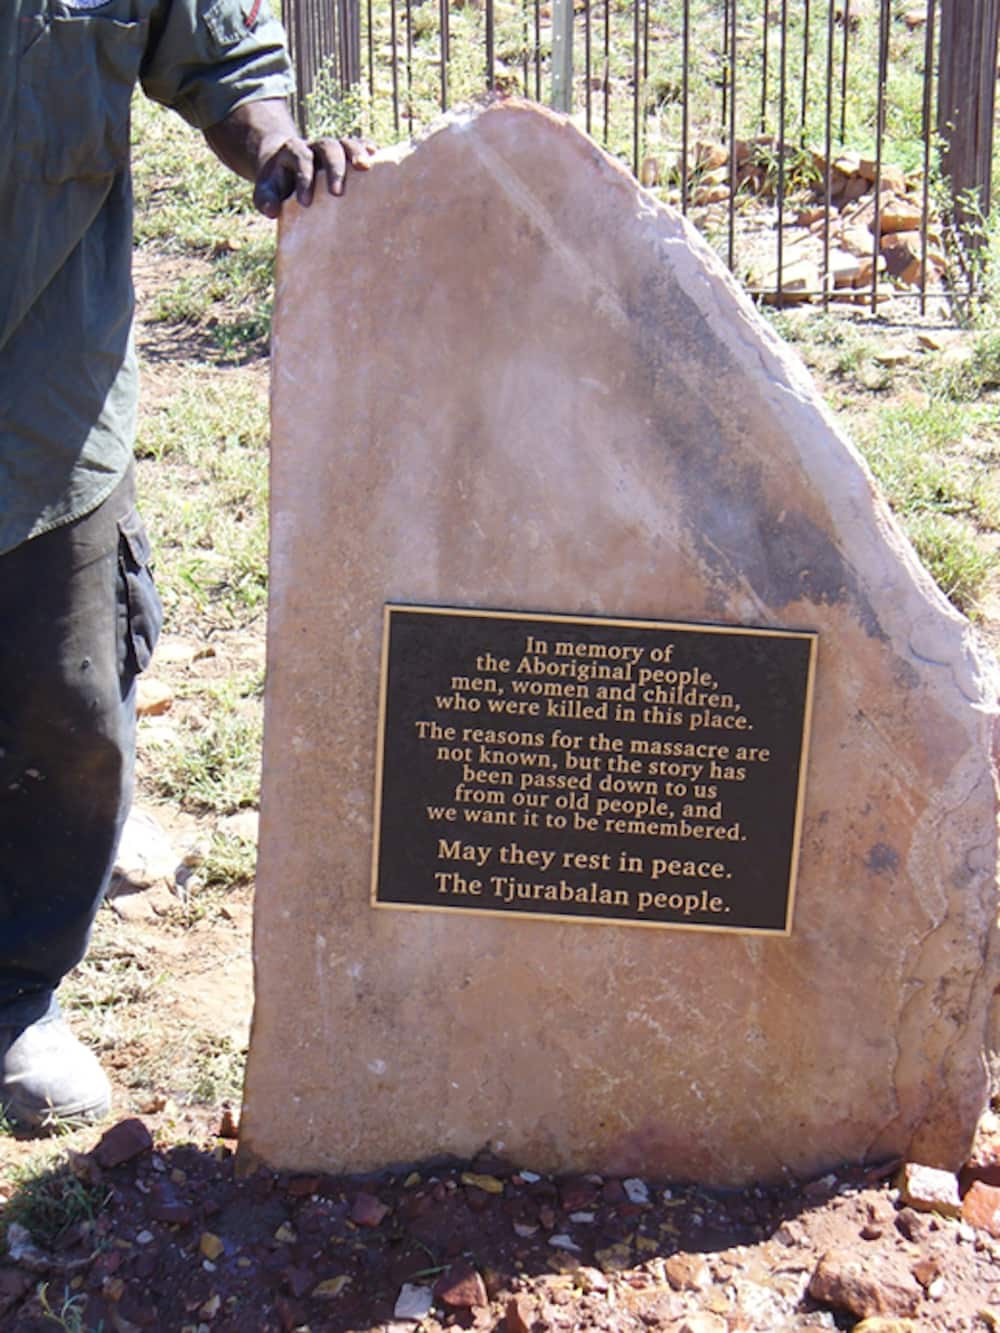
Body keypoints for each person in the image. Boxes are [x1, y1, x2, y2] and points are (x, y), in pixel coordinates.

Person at [0, 0, 371, 1130]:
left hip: (43, 382)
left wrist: (274, 147)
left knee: (65, 702)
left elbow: (213, 48)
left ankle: (16, 989)